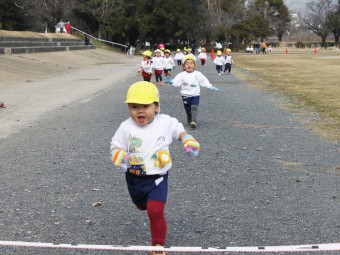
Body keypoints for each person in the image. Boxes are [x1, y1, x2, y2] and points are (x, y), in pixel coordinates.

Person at [110, 81, 200, 255]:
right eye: (134, 106)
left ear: (157, 107)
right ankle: (141, 202)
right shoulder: (125, 127)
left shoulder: (166, 122)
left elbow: (179, 130)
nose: (140, 111)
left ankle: (158, 245)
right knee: (141, 205)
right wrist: (117, 154)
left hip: (158, 177)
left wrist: (186, 138)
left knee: (155, 210)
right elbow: (115, 145)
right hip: (134, 177)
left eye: (145, 106)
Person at [171, 55, 219, 129]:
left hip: (195, 95)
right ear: (183, 66)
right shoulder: (181, 75)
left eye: (191, 63)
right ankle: (189, 117)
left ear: (194, 66)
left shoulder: (198, 74)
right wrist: (172, 82)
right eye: (187, 64)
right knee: (188, 109)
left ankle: (194, 121)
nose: (189, 65)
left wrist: (210, 86)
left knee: (194, 107)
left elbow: (204, 81)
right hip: (185, 95)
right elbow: (176, 82)